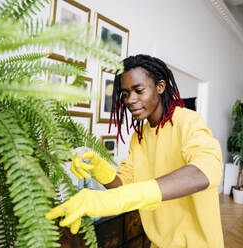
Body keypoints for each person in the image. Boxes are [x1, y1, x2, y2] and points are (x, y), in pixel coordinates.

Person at [46, 54, 224, 248]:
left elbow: (207, 170)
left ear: (160, 86)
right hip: (158, 242)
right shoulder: (138, 137)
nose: (130, 100)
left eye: (139, 90)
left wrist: (117, 199)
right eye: (125, 94)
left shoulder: (187, 120)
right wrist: (100, 169)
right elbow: (122, 186)